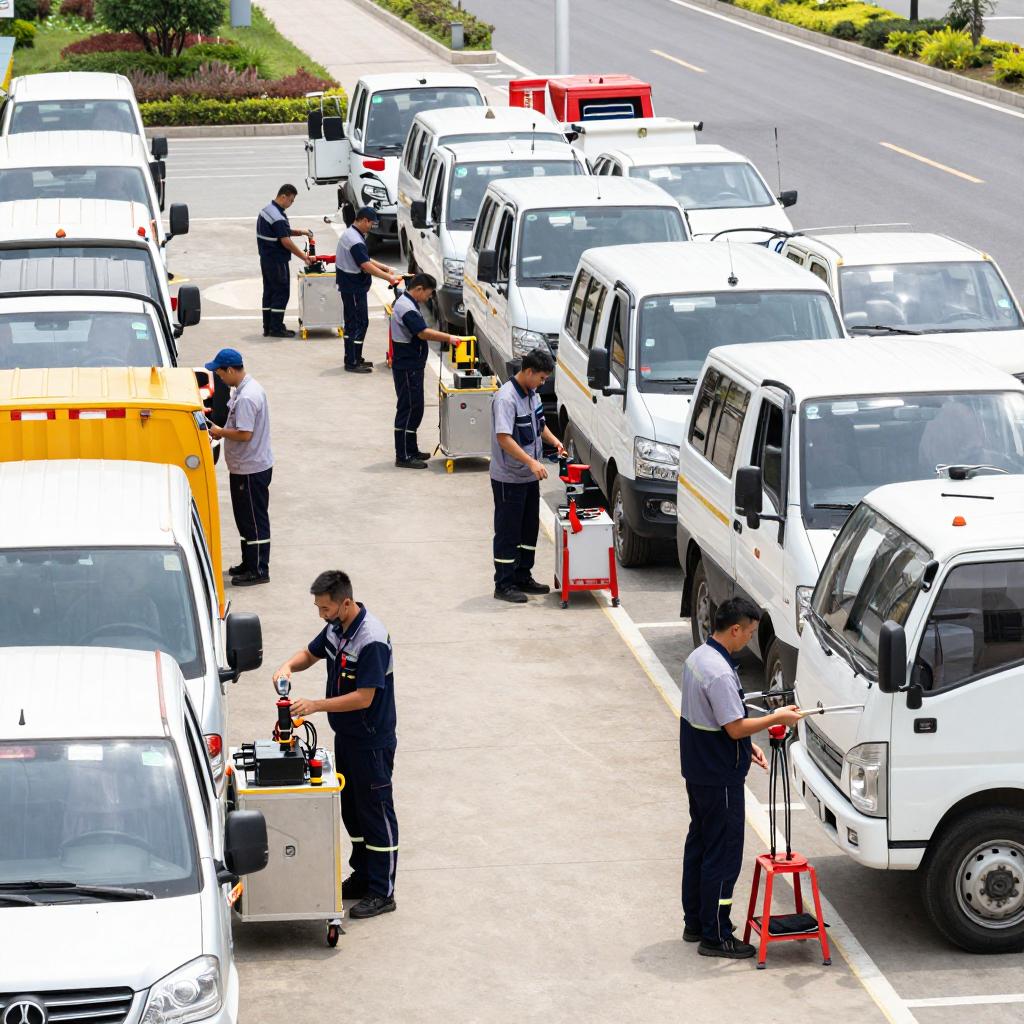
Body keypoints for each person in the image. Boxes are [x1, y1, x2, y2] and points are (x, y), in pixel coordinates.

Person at [680, 597, 801, 959]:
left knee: (700, 846)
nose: (748, 637)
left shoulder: (699, 658)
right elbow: (733, 727)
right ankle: (716, 935)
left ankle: (695, 922)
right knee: (724, 856)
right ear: (734, 629)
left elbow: (711, 719)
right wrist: (776, 718)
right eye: (748, 631)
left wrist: (748, 747)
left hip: (699, 771)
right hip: (720, 779)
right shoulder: (718, 672)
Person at [274, 570, 399, 920]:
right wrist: (287, 667)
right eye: (318, 607)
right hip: (347, 737)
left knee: (376, 812)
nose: (321, 614)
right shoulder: (336, 627)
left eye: (325, 608)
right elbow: (310, 654)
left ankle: (383, 891)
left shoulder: (370, 638)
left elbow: (363, 697)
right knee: (352, 811)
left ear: (346, 603)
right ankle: (363, 876)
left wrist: (314, 705)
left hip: (371, 740)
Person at [490, 347, 565, 603]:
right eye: (542, 378)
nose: (543, 383)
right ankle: (504, 583)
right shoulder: (506, 398)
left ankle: (523, 575)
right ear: (529, 371)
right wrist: (531, 461)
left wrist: (555, 442)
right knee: (508, 531)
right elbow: (504, 438)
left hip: (528, 477)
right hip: (508, 478)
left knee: (528, 529)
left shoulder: (533, 395)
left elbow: (540, 425)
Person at [206, 348, 273, 587]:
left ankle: (258, 569)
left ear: (231, 370)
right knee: (244, 519)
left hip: (251, 469)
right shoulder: (243, 390)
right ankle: (248, 562)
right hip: (244, 467)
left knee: (254, 520)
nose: (220, 378)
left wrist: (219, 432)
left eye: (221, 373)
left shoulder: (246, 397)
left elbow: (244, 434)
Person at [390, 273, 462, 469]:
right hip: (407, 366)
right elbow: (423, 332)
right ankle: (403, 455)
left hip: (412, 365)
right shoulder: (406, 307)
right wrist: (450, 338)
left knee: (416, 408)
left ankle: (411, 449)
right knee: (408, 408)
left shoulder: (408, 302)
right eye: (429, 294)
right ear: (419, 289)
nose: (429, 298)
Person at [336, 207, 401, 373]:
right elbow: (365, 266)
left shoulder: (352, 234)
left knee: (353, 323)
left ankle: (354, 357)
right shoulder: (355, 240)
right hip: (353, 287)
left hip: (350, 286)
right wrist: (389, 278)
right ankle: (353, 361)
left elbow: (365, 258)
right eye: (371, 224)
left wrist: (384, 267)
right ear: (364, 220)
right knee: (359, 323)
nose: (371, 227)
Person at [257, 184, 314, 338]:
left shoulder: (267, 210)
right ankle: (277, 328)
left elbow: (280, 231)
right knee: (281, 292)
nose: (291, 203)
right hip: (277, 260)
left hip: (266, 259)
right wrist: (304, 257)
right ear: (283, 197)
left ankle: (268, 326)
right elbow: (285, 241)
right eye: (291, 200)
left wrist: (299, 232)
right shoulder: (278, 217)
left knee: (269, 292)